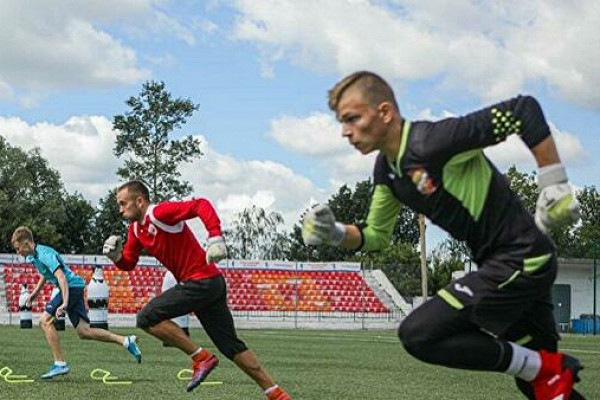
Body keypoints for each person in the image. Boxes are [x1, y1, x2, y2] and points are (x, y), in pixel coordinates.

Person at [302, 71, 585, 400]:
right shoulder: (387, 170)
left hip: (521, 259)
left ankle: (544, 367)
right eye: (341, 122)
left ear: (384, 112)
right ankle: (544, 370)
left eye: (352, 118)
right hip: (507, 265)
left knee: (419, 333)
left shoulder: (434, 141)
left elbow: (522, 110)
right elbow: (374, 235)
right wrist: (333, 232)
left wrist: (555, 183)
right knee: (540, 387)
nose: (345, 132)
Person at [102, 180, 290, 399]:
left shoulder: (159, 213)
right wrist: (116, 257)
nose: (120, 209)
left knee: (146, 317)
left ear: (140, 201)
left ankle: (201, 357)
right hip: (209, 284)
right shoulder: (135, 230)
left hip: (201, 282)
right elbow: (129, 263)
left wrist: (215, 236)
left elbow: (201, 204)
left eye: (123, 203)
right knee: (231, 346)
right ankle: (277, 394)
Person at [11, 226, 142, 379]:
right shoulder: (34, 257)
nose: (17, 252)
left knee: (44, 321)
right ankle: (125, 341)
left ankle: (60, 364)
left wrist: (65, 303)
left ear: (26, 243)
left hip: (71, 287)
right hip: (75, 286)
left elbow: (61, 278)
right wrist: (34, 293)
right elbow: (45, 274)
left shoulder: (44, 254)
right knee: (84, 331)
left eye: (17, 248)